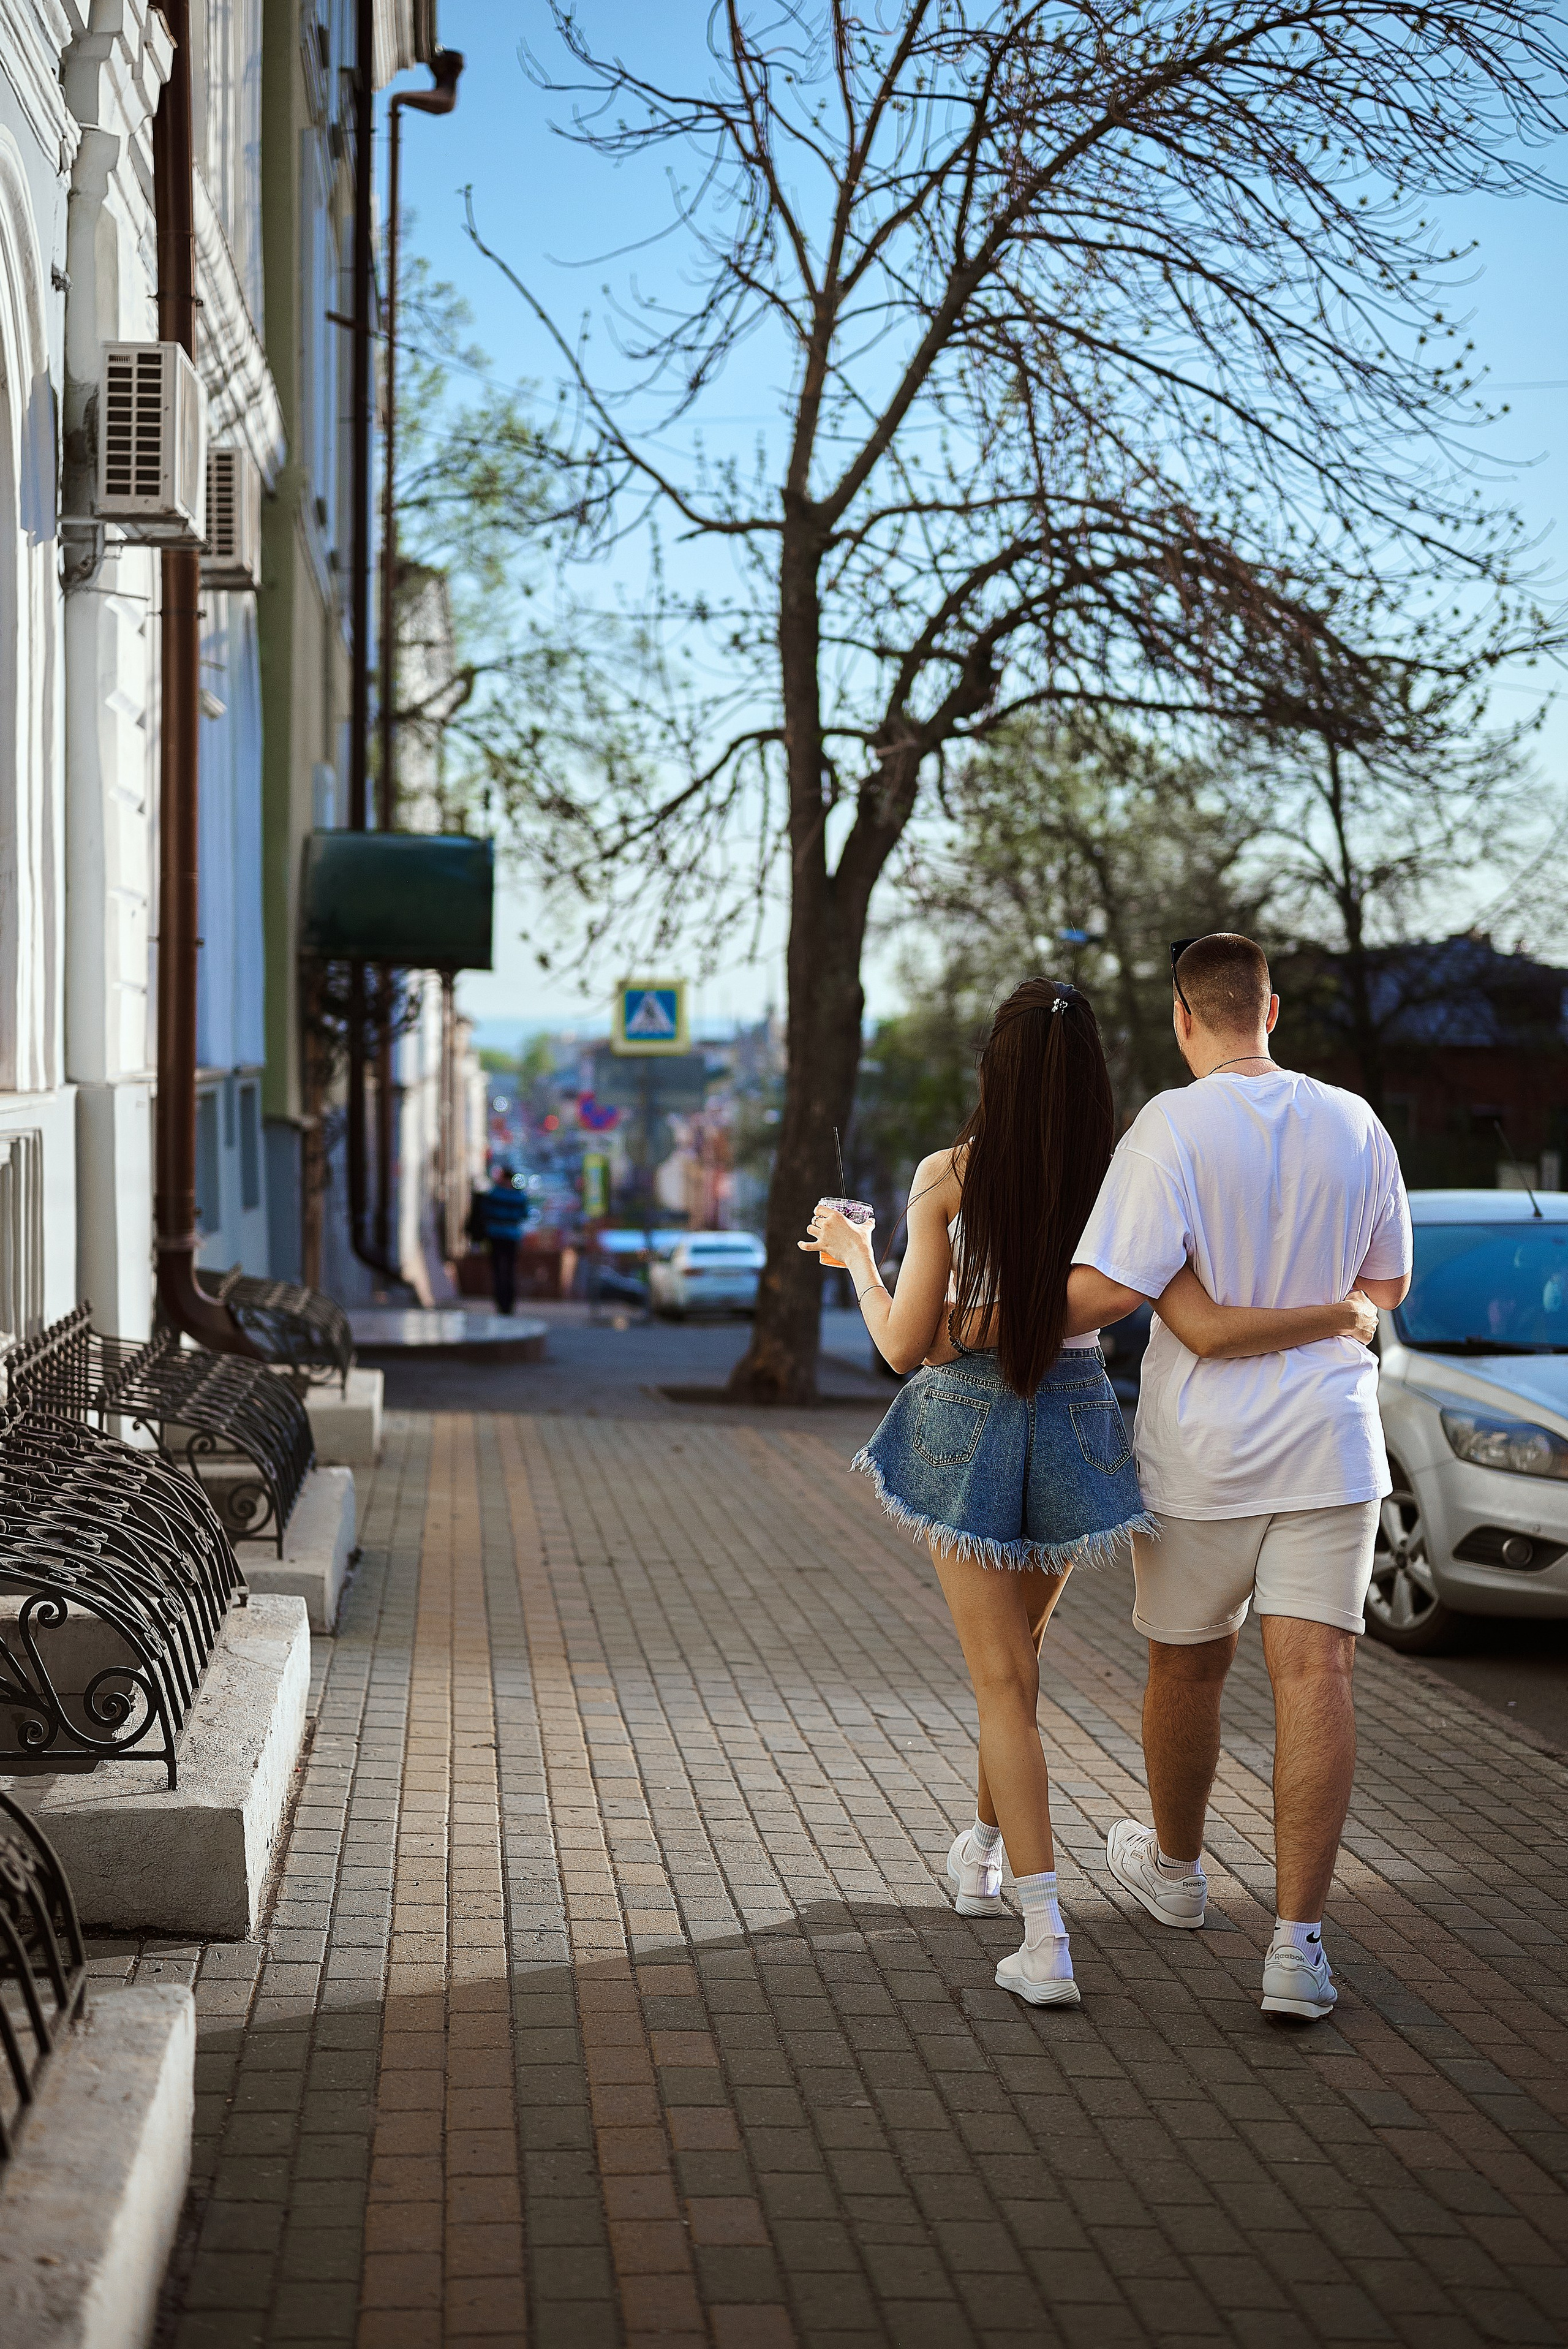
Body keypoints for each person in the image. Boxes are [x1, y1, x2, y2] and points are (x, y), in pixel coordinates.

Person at [804, 978, 1377, 2011]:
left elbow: (903, 1346)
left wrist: (856, 1255)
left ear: (996, 1065)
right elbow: (1168, 1304)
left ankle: (1045, 1937)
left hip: (973, 1427)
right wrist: (1341, 1314)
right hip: (1076, 1426)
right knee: (1020, 1665)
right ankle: (981, 1847)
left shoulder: (949, 1174)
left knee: (1002, 1683)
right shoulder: (1125, 1175)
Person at [1069, 933, 1412, 2022]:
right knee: (1319, 1676)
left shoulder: (1168, 1125)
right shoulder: (1355, 1118)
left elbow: (1110, 1289)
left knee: (1187, 1669)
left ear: (1184, 1017)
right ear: (1271, 1011)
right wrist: (1328, 1309)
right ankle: (1298, 1949)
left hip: (1201, 1450)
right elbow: (1388, 1281)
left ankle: (1175, 1875)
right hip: (1331, 1438)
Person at [477, 1165, 531, 1316]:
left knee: (498, 1271)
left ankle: (501, 1303)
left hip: (495, 1235)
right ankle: (508, 1304)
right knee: (509, 1270)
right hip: (511, 1236)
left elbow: (486, 1211)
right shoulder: (518, 1197)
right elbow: (524, 1214)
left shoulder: (495, 1194)